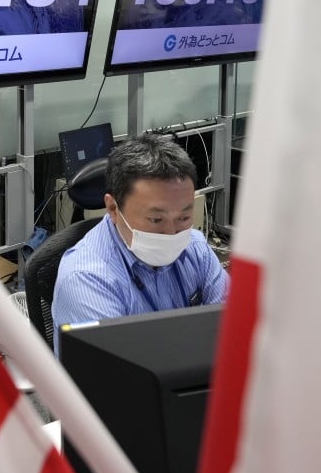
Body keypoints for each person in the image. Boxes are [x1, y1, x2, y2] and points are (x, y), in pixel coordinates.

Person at [51, 133, 228, 349]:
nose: (172, 232)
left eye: (183, 217)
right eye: (156, 219)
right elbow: (119, 374)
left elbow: (231, 328)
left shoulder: (196, 248)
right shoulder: (87, 280)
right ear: (114, 208)